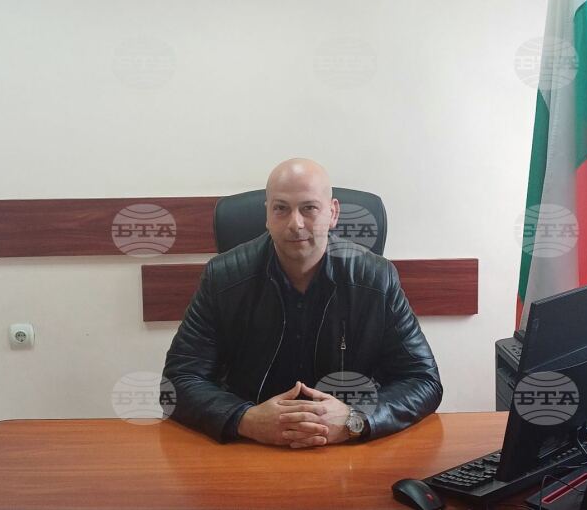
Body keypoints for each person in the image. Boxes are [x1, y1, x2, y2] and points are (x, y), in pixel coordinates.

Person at [161, 158, 442, 447]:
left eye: (309, 208)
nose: (295, 224)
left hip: (347, 448)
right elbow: (179, 380)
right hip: (251, 447)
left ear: (333, 213)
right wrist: (246, 419)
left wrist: (355, 420)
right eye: (281, 208)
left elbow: (423, 380)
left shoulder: (376, 278)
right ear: (267, 215)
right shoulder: (223, 278)